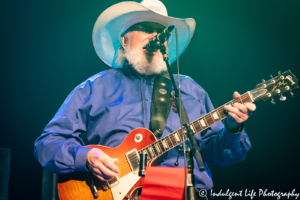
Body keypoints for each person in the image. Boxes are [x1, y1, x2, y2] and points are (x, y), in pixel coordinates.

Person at [34, 0, 256, 198]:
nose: (155, 36)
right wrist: (87, 157)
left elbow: (221, 155)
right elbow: (47, 144)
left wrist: (233, 127)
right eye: (145, 28)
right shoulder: (94, 88)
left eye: (162, 32)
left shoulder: (189, 89)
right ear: (124, 40)